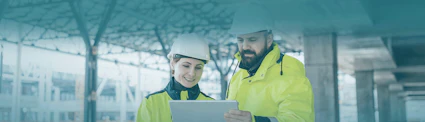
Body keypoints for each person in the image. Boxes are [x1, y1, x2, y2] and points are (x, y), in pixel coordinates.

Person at [224, 2, 315, 122]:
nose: (245, 46)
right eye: (240, 40)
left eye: (252, 39)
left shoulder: (289, 71)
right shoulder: (238, 76)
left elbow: (299, 119)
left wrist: (256, 121)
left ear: (269, 40)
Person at [136, 34, 214, 122]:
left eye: (198, 67)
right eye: (186, 66)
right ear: (173, 64)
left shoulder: (211, 105)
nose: (192, 73)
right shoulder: (151, 103)